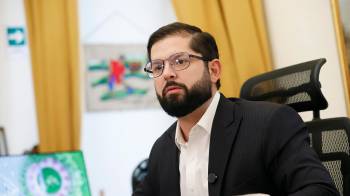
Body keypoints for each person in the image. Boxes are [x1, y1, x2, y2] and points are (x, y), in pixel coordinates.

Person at [133, 22, 339, 196]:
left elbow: (321, 191)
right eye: (158, 67)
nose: (167, 73)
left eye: (180, 61)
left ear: (213, 70)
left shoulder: (270, 123)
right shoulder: (161, 150)